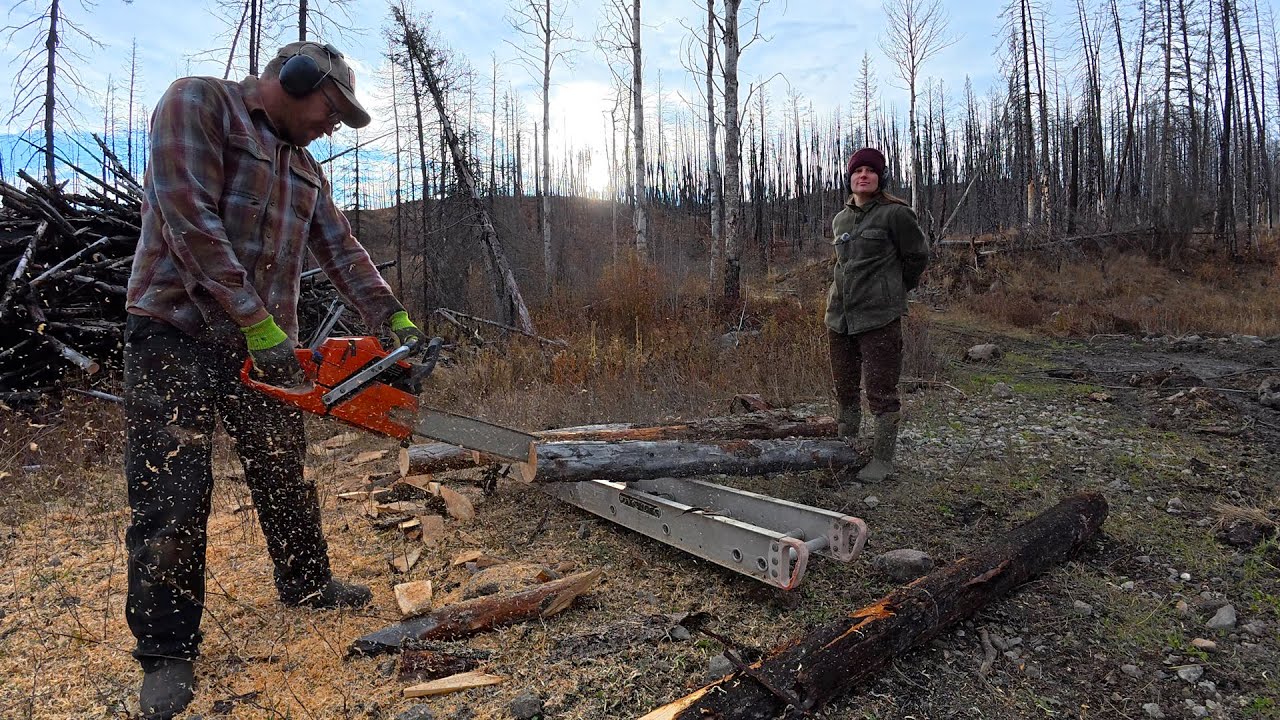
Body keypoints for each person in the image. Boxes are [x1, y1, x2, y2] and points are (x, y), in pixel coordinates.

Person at [122, 41, 426, 719]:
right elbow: (186, 217)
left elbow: (341, 248)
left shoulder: (302, 167)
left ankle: (307, 584)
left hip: (265, 346)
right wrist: (254, 319)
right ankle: (167, 653)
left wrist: (393, 316)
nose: (331, 124)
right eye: (330, 108)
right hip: (175, 331)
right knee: (172, 487)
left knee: (285, 467)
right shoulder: (199, 103)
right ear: (295, 80)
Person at [825, 147, 929, 483]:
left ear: (880, 177)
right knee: (845, 390)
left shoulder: (896, 214)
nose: (863, 176)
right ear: (850, 178)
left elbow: (917, 257)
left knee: (881, 394)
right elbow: (842, 265)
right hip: (839, 317)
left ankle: (882, 461)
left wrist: (895, 291)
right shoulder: (840, 219)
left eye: (870, 171)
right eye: (858, 171)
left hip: (878, 319)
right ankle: (844, 450)